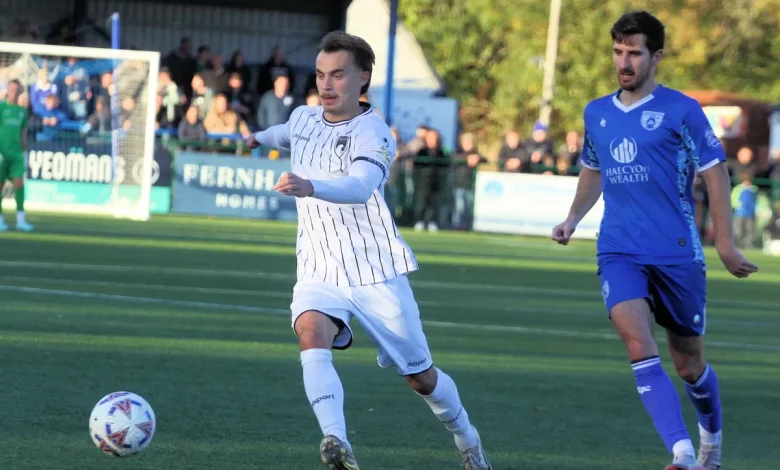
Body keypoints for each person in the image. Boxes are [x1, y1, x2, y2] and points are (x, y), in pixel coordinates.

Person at [245, 31, 492, 470]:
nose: (327, 84)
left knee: (421, 378)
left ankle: (468, 440)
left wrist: (309, 185)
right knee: (309, 331)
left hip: (375, 272)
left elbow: (360, 187)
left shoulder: (374, 132)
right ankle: (337, 443)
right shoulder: (304, 118)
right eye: (321, 74)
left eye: (338, 75)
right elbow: (285, 133)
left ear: (363, 78)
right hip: (320, 267)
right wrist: (255, 137)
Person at [551, 11, 758, 470]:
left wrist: (725, 244)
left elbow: (717, 175)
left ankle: (711, 442)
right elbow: (593, 168)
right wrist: (572, 218)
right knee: (638, 344)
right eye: (618, 52)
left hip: (676, 251)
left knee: (689, 366)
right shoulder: (596, 112)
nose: (624, 62)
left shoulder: (681, 110)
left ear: (656, 56)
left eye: (634, 53)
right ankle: (681, 452)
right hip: (619, 249)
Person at [0, 80, 33, 232]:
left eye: (16, 89)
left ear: (20, 91)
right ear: (7, 89)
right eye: (11, 88)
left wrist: (25, 152)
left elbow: (23, 133)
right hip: (2, 153)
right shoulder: (1, 108)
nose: (13, 91)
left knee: (19, 184)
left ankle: (21, 219)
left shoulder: (22, 112)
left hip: (17, 154)